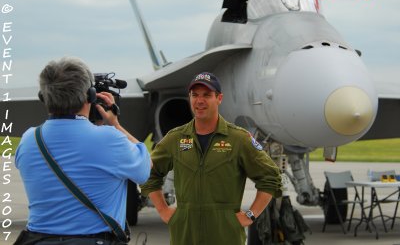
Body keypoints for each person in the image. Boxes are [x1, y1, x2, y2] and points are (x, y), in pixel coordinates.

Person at [14, 57, 151, 244]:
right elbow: (146, 168)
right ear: (91, 95)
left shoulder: (30, 139)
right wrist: (115, 125)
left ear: (43, 96)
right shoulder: (109, 139)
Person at [140, 72, 282, 245]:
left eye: (207, 95)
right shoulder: (175, 138)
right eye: (195, 95)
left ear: (219, 98)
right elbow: (147, 172)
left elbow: (271, 177)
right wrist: (163, 210)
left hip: (225, 234)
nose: (200, 101)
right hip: (185, 234)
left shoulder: (238, 139)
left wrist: (250, 215)